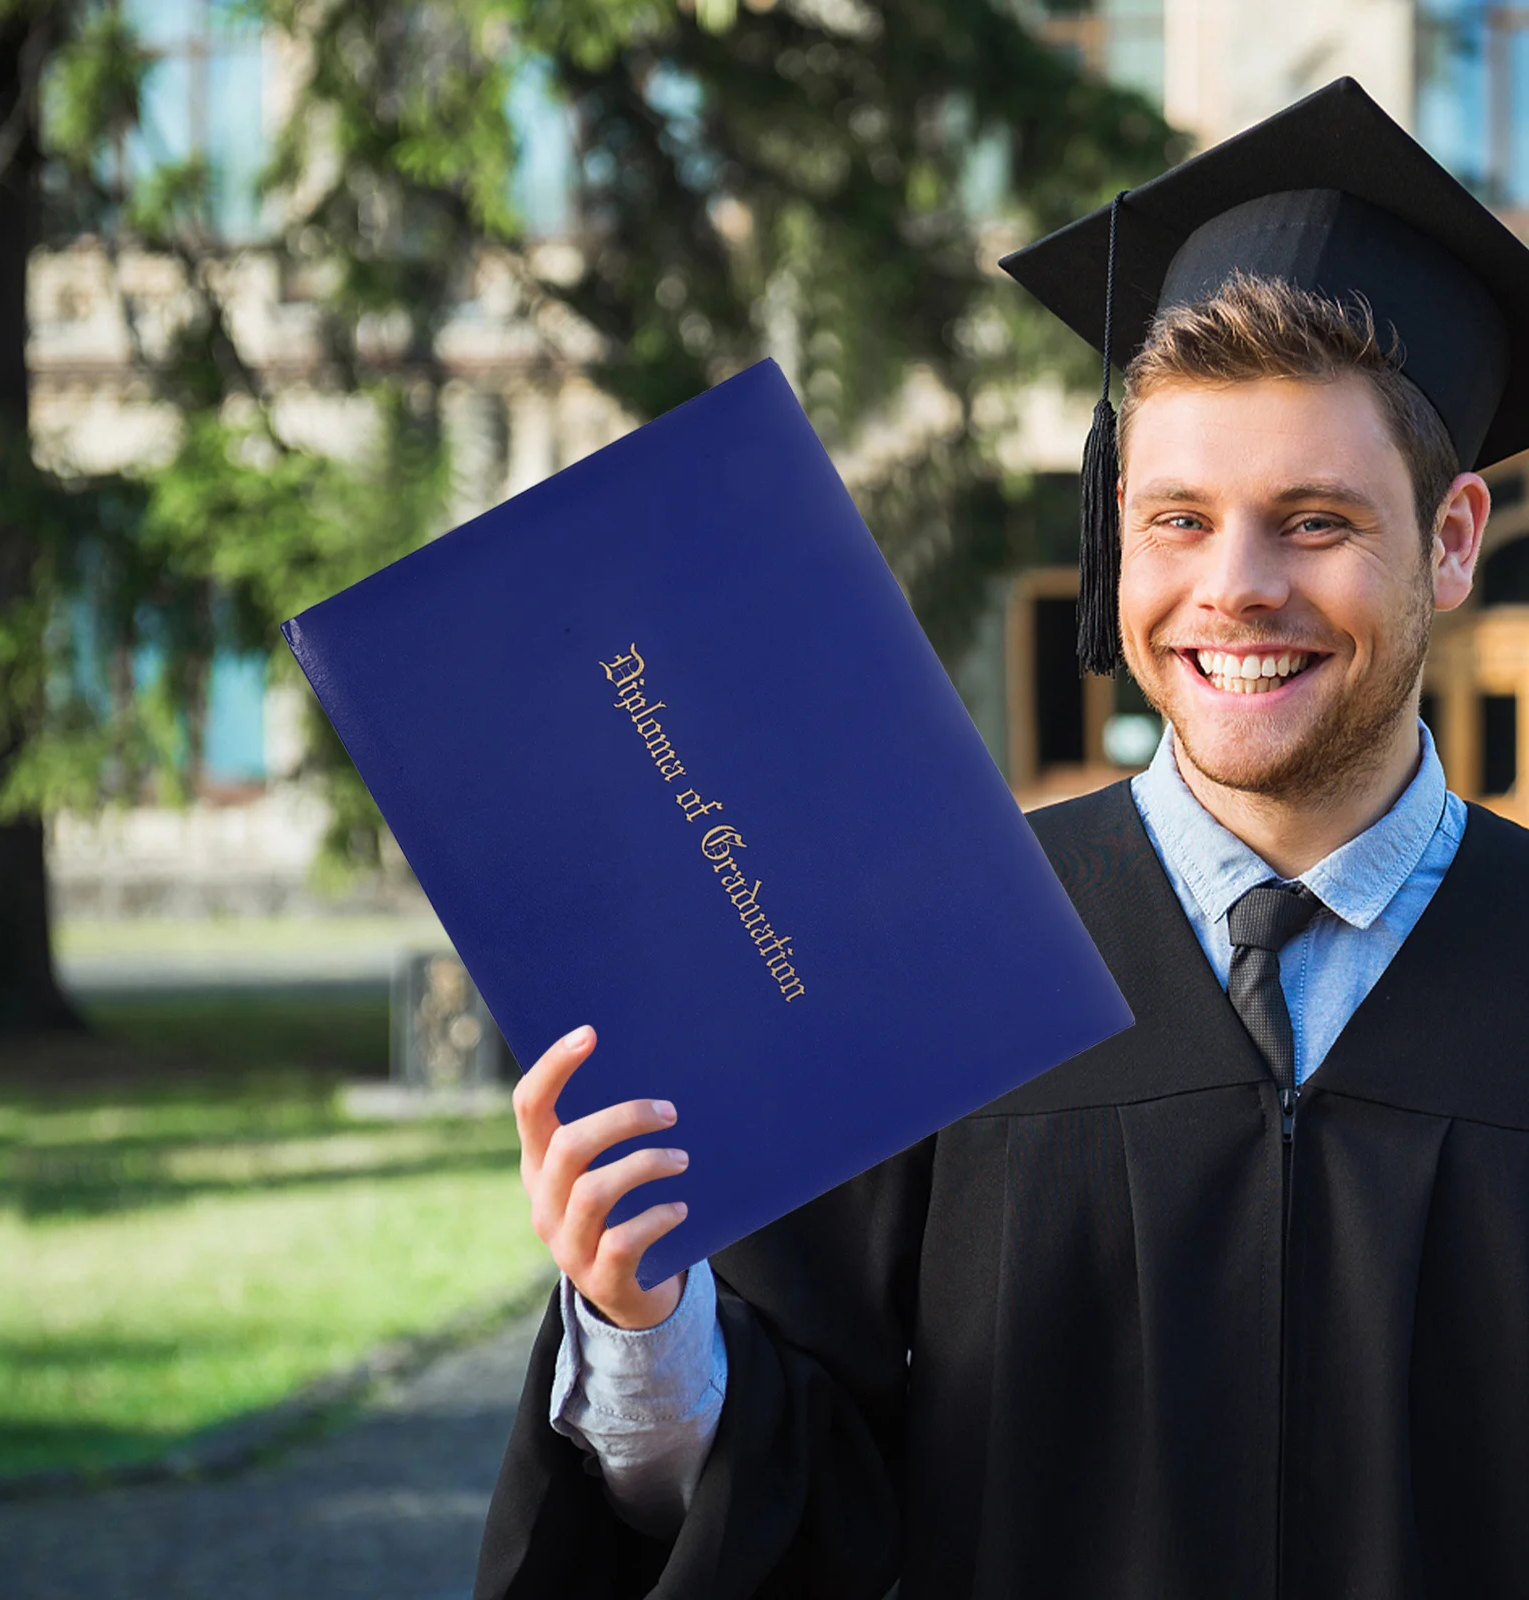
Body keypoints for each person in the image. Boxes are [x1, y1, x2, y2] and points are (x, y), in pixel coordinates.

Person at [476, 79, 1529, 1599]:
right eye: (1175, 519)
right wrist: (642, 1328)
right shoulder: (938, 956)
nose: (1232, 588)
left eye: (1314, 522)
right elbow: (793, 1478)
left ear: (1448, 540)